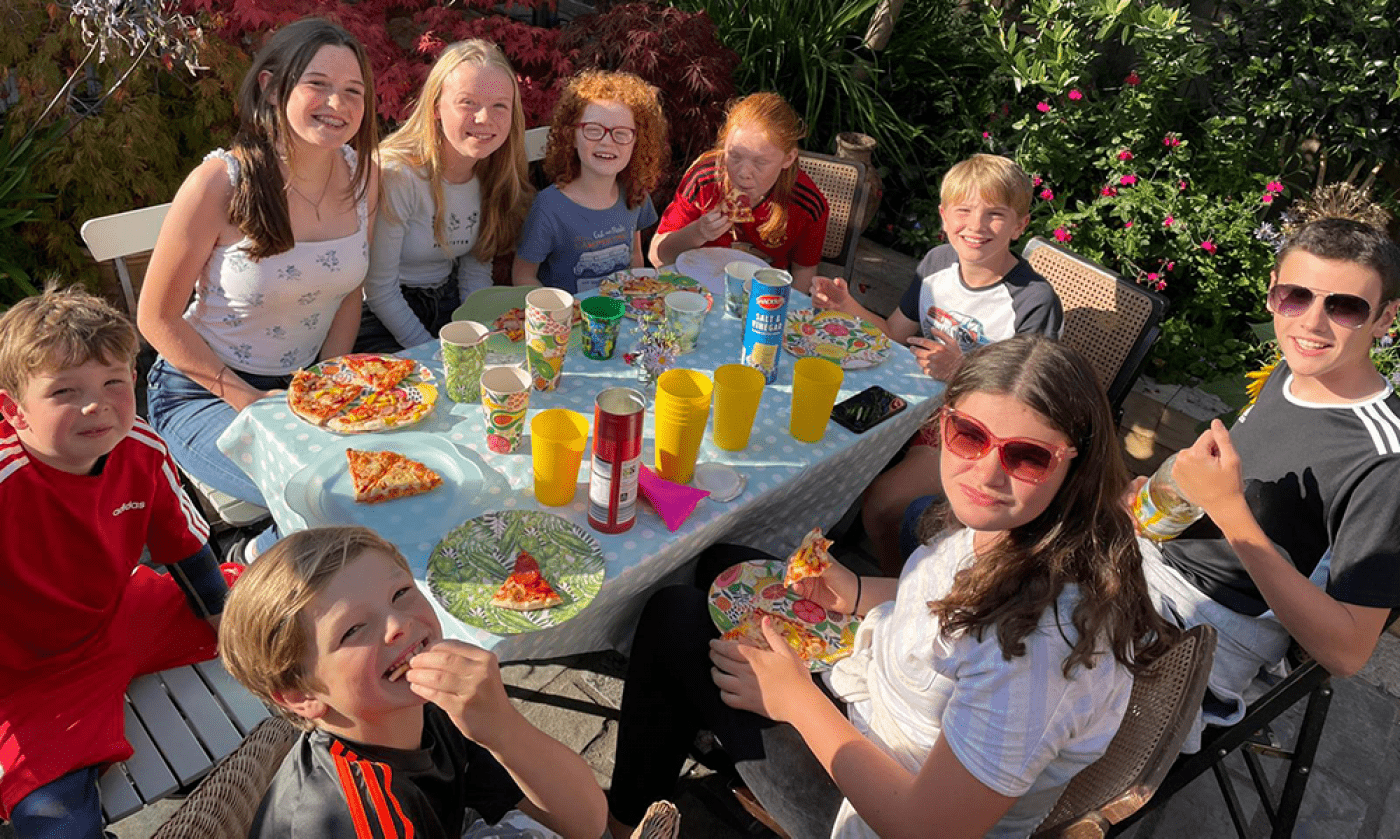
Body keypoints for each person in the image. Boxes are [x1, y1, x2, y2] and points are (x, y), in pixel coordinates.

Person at [606, 335, 1177, 839]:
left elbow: (926, 827)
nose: (985, 471)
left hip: (873, 801)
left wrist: (794, 701)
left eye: (1027, 456)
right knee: (723, 563)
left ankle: (621, 822)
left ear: (1076, 465)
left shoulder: (1032, 656)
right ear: (945, 421)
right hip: (879, 703)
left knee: (673, 620)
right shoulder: (1025, 530)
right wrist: (853, 591)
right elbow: (952, 601)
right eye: (970, 435)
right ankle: (693, 723)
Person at [1140, 209, 1400, 751]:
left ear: (1385, 319)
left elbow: (1348, 652)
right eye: (1296, 297)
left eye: (1346, 306)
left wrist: (1230, 512)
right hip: (1151, 561)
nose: (1310, 323)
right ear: (1272, 293)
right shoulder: (1293, 369)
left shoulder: (1384, 461)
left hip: (1203, 634)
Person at [139, 18, 379, 554]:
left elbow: (348, 291)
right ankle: (250, 562)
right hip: (202, 391)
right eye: (317, 84)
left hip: (301, 386)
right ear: (272, 86)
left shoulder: (364, 173)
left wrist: (327, 385)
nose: (336, 104)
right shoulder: (220, 183)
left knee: (386, 480)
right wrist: (242, 396)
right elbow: (155, 317)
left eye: (353, 91)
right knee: (326, 497)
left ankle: (275, 559)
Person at [0, 286, 228, 839]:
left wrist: (231, 630)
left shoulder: (140, 447)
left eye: (113, 383)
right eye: (64, 391)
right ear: (14, 409)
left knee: (289, 611)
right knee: (55, 826)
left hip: (120, 613)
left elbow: (187, 553)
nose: (96, 405)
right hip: (27, 673)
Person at [219, 526, 607, 839]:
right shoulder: (359, 818)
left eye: (401, 593)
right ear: (301, 695)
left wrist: (503, 727)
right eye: (353, 630)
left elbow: (585, 824)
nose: (399, 624)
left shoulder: (429, 705)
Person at [814, 154, 1064, 573]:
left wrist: (961, 370)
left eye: (995, 214)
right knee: (825, 443)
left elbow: (1030, 403)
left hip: (973, 427)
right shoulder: (936, 264)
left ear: (1020, 225)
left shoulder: (1033, 300)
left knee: (885, 501)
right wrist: (848, 306)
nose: (977, 225)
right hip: (908, 398)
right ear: (944, 217)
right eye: (964, 211)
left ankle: (904, 593)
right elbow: (895, 334)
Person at [358, 40, 534, 352]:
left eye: (499, 106)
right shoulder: (400, 176)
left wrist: (478, 336)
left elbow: (475, 274)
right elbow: (378, 288)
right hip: (384, 311)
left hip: (448, 299)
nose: (484, 118)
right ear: (436, 107)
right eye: (468, 103)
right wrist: (434, 353)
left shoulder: (493, 173)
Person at [648, 92, 828, 294]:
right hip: (696, 290)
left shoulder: (806, 203)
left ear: (788, 158)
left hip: (763, 298)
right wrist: (698, 232)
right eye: (734, 156)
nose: (743, 173)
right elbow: (657, 255)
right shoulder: (705, 180)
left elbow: (804, 270)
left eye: (760, 162)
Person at [513, 70, 666, 294]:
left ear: (637, 142)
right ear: (571, 136)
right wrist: (558, 312)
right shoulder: (548, 208)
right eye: (593, 130)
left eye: (621, 134)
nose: (607, 142)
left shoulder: (636, 194)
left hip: (619, 316)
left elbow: (634, 257)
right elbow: (522, 275)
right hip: (569, 322)